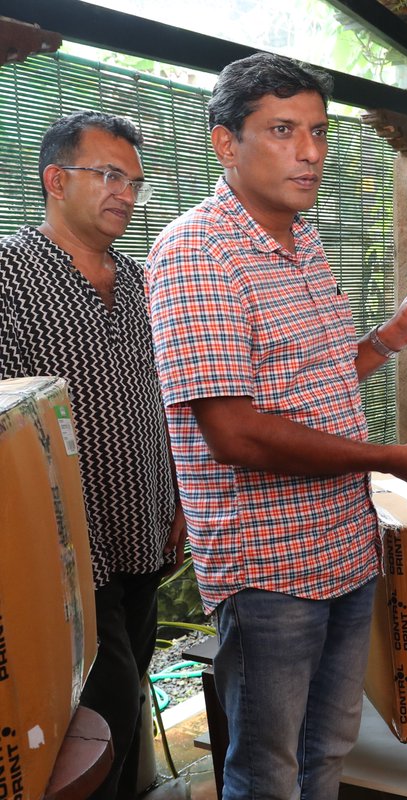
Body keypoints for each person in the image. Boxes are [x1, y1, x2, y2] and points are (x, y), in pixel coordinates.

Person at [145, 52, 407, 800]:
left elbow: (307, 385)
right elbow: (238, 432)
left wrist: (387, 340)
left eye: (317, 131)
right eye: (283, 130)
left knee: (329, 752)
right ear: (226, 142)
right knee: (268, 771)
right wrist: (391, 458)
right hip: (269, 571)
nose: (311, 151)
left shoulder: (303, 240)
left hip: (344, 548)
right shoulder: (197, 254)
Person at [0, 111, 185, 800]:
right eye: (108, 175)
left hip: (143, 534)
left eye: (133, 181)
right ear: (55, 179)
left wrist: (177, 499)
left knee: (129, 696)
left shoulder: (143, 282)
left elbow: (170, 397)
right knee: (95, 722)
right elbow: (10, 422)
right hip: (62, 555)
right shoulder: (9, 275)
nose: (125, 194)